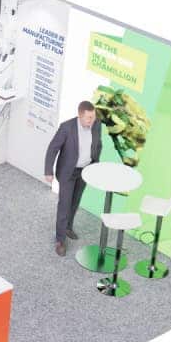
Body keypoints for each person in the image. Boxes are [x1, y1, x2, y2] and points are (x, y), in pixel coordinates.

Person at [44, 101, 102, 256]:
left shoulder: (97, 125)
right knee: (64, 205)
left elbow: (98, 145)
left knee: (75, 201)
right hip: (67, 173)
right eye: (89, 118)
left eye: (93, 117)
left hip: (85, 171)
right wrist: (48, 171)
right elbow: (53, 148)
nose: (92, 120)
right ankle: (60, 240)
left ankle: (68, 227)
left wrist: (95, 164)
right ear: (80, 116)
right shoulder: (66, 127)